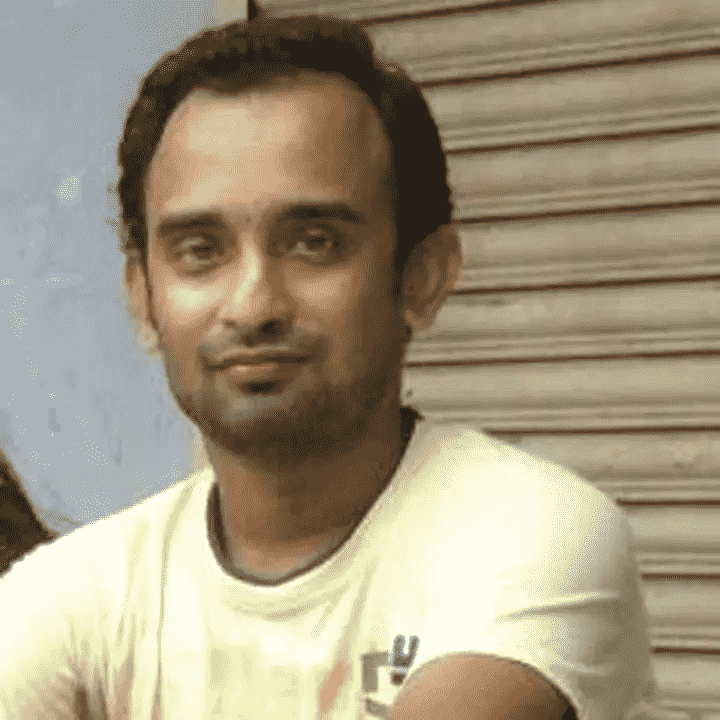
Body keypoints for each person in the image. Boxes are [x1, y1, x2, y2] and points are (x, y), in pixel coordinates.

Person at [0, 14, 656, 720]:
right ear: (143, 297)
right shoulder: (82, 591)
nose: (253, 305)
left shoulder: (530, 533)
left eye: (315, 242)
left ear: (423, 276)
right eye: (200, 250)